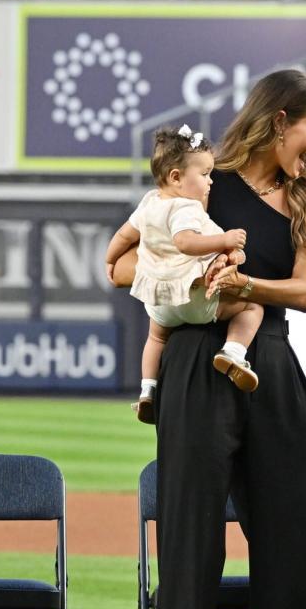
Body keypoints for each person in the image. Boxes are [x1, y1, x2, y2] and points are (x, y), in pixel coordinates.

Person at [111, 70, 306, 609]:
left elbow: (303, 292)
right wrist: (184, 280)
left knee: (292, 541)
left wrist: (243, 283)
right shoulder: (199, 184)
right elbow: (121, 267)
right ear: (280, 122)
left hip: (268, 358)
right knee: (189, 541)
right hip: (192, 359)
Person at [104, 125, 263, 423]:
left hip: (160, 302)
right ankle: (233, 352)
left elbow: (124, 236)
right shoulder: (186, 208)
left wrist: (110, 261)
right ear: (176, 177)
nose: (210, 181)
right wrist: (226, 241)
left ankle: (147, 391)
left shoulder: (149, 202)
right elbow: (186, 242)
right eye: (204, 174)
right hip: (194, 297)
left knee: (155, 338)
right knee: (253, 305)